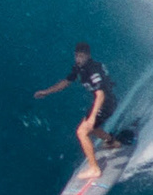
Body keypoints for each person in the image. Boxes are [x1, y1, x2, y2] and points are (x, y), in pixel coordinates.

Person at [34, 43, 127, 173]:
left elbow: (100, 94)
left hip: (106, 103)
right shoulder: (79, 67)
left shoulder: (92, 69)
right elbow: (66, 82)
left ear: (88, 56)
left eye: (82, 56)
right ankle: (112, 142)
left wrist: (92, 118)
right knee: (91, 127)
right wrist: (46, 92)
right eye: (77, 56)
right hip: (102, 103)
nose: (79, 59)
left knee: (82, 132)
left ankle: (94, 169)